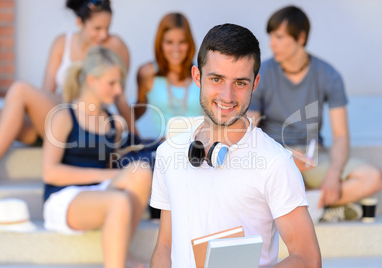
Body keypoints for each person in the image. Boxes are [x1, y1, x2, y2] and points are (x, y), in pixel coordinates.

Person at [150, 24, 321, 268]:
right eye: (217, 79)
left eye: (240, 82)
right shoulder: (168, 152)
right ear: (197, 77)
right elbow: (164, 247)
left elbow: (308, 259)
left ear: (255, 83)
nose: (227, 96)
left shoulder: (275, 162)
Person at [247, 6, 382, 222]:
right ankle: (323, 208)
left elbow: (341, 134)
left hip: (313, 158)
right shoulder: (261, 73)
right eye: (271, 37)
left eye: (279, 37)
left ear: (300, 38)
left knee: (372, 178)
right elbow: (249, 130)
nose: (272, 43)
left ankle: (307, 204)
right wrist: (285, 159)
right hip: (275, 159)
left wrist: (333, 174)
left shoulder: (328, 74)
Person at [0, 0, 134, 186]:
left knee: (20, 89)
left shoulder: (114, 46)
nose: (103, 34)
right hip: (54, 120)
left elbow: (118, 96)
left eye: (107, 28)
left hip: (81, 125)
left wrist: (135, 135)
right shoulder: (63, 43)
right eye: (97, 28)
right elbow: (47, 91)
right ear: (80, 23)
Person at [43, 46, 151, 268]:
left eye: (120, 83)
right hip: (64, 197)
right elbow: (50, 172)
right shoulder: (63, 116)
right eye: (112, 83)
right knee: (119, 201)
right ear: (91, 80)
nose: (118, 90)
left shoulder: (113, 123)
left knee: (141, 171)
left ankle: (121, 253)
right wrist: (107, 175)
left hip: (99, 193)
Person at [134, 12, 202, 138]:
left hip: (200, 148)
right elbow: (139, 109)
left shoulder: (202, 74)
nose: (176, 49)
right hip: (161, 148)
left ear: (190, 43)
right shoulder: (146, 74)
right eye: (169, 42)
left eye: (182, 42)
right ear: (160, 43)